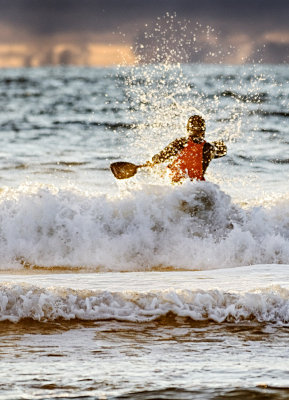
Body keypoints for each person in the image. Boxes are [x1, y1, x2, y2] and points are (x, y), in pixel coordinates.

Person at [147, 115, 227, 182]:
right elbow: (223, 151)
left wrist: (152, 162)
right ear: (203, 131)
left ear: (188, 130)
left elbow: (160, 157)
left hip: (175, 185)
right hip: (196, 186)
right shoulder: (209, 148)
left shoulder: (180, 143)